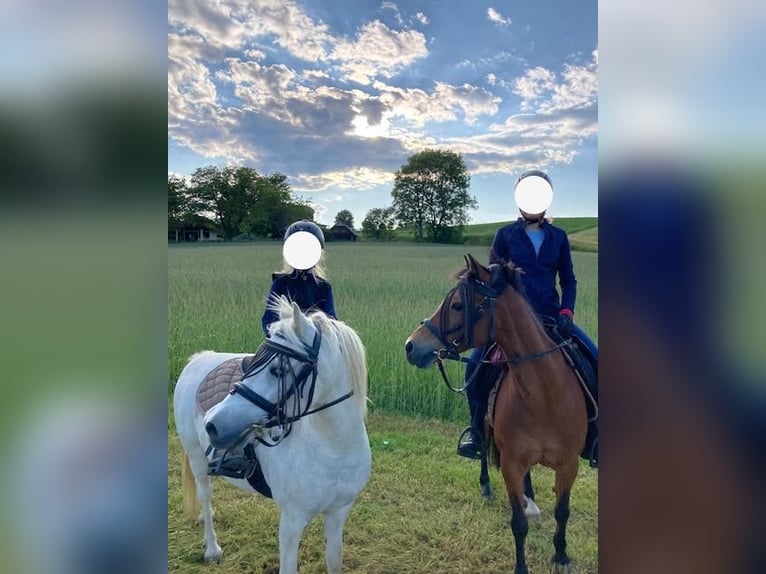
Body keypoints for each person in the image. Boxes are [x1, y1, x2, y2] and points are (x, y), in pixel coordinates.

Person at [456, 170, 598, 507]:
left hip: (552, 319)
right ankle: (477, 435)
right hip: (512, 324)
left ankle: (595, 438)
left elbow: (570, 280)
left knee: (596, 359)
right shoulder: (505, 235)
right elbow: (493, 282)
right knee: (475, 368)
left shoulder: (559, 237)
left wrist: (567, 313)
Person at [261, 220, 336, 336]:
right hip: (285, 342)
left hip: (313, 344)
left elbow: (331, 321)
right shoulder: (280, 283)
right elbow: (268, 321)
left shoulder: (323, 287)